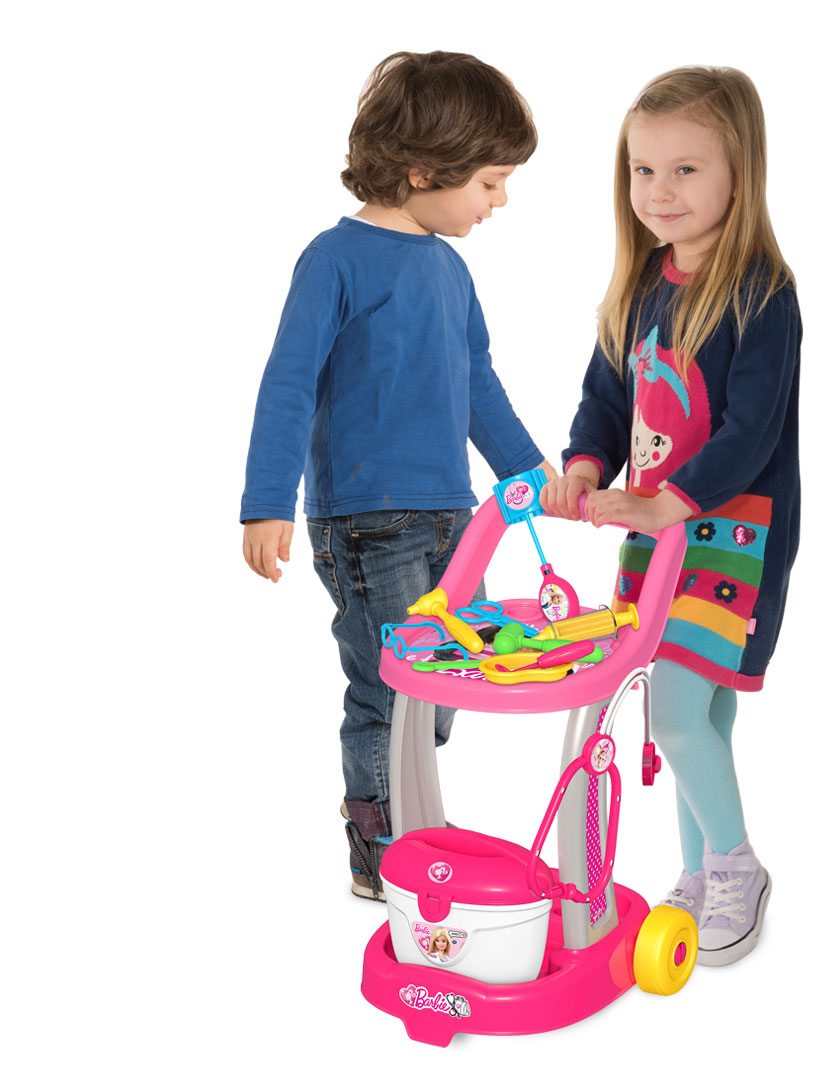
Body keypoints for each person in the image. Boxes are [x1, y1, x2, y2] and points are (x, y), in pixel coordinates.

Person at [240, 51, 553, 902]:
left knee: (446, 685)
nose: (500, 200)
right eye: (489, 183)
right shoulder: (334, 260)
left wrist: (532, 473)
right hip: (368, 521)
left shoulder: (450, 268)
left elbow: (478, 382)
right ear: (422, 171)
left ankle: (413, 817)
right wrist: (268, 501)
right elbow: (289, 382)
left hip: (456, 516)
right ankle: (381, 847)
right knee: (390, 689)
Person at [541, 66, 801, 966]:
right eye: (643, 170)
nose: (660, 191)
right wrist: (585, 465)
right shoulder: (642, 285)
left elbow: (751, 431)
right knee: (701, 717)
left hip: (734, 534)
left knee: (679, 714)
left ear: (740, 172)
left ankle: (735, 864)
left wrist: (666, 500)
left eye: (686, 170)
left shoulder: (762, 292)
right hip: (657, 538)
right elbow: (606, 399)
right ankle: (697, 872)